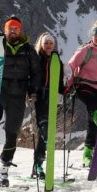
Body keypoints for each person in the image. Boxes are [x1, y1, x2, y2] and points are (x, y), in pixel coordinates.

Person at [0, 16, 40, 187]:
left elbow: (36, 73)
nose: (13, 31)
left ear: (20, 30)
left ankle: (3, 170)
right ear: (5, 30)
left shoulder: (28, 50)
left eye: (16, 28)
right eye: (10, 28)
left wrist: (33, 90)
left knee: (12, 135)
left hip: (18, 95)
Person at [65, 20, 97, 167]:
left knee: (93, 122)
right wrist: (66, 86)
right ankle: (96, 115)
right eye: (95, 34)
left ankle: (87, 153)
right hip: (83, 86)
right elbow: (70, 66)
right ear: (91, 36)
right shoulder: (84, 51)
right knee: (94, 110)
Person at [32, 32, 64, 179]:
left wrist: (65, 92)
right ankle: (38, 165)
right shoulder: (36, 59)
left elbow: (60, 82)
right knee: (44, 132)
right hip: (40, 99)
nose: (49, 45)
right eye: (46, 43)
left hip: (52, 99)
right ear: (41, 44)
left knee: (48, 133)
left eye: (51, 43)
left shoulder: (57, 60)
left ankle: (37, 166)